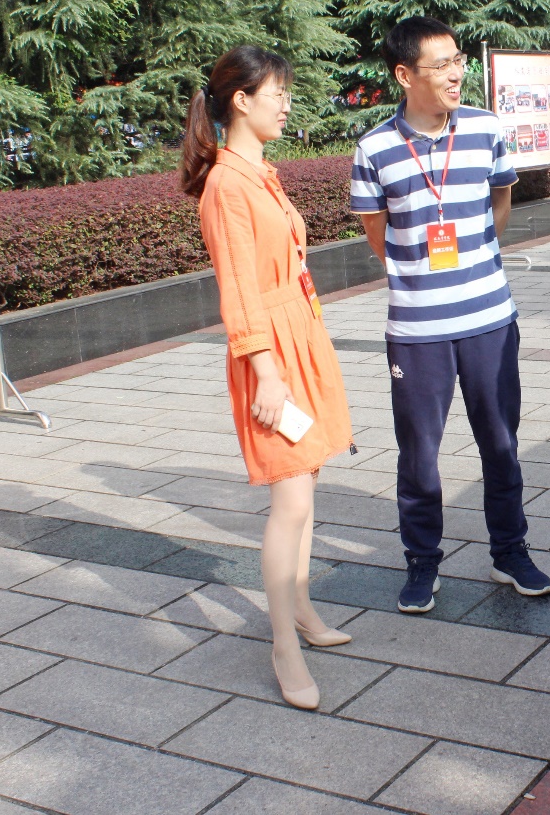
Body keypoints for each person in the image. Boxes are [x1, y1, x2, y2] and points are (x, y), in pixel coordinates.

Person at [350, 17, 550, 613]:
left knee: (502, 444)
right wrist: (421, 272)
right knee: (419, 454)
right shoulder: (374, 149)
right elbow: (377, 233)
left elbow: (501, 197)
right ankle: (421, 561)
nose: (455, 73)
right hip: (418, 331)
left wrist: (474, 255)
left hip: (490, 318)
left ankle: (510, 552)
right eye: (440, 65)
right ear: (404, 74)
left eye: (457, 60)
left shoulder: (486, 128)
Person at [181, 45, 356, 711]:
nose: (286, 103)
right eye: (276, 92)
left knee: (306, 483)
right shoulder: (227, 185)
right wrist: (266, 373)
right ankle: (283, 644)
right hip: (270, 352)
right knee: (292, 501)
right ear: (241, 100)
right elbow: (239, 290)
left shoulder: (259, 174)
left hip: (298, 336)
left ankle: (302, 611)